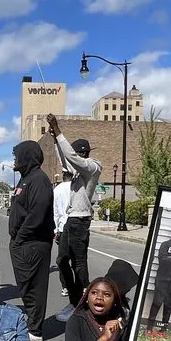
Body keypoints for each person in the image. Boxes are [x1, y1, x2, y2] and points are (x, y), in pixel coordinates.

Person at [48, 115, 101, 321]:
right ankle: (75, 300)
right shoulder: (77, 172)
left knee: (79, 265)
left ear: (86, 153)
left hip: (81, 220)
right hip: (71, 220)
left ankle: (81, 306)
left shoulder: (93, 167)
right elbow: (65, 160)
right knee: (62, 261)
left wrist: (59, 131)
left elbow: (73, 159)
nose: (81, 155)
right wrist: (55, 139)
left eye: (82, 153)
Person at [9, 140, 56, 341]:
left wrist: (20, 239)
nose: (15, 159)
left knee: (35, 286)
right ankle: (31, 322)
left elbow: (37, 213)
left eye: (17, 155)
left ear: (27, 156)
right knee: (26, 285)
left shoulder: (39, 180)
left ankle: (35, 330)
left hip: (33, 243)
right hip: (22, 243)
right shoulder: (26, 179)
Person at [53, 170, 72, 298]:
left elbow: (55, 212)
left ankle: (65, 286)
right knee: (79, 259)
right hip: (78, 225)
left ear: (64, 176)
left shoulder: (57, 189)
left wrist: (56, 230)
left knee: (63, 259)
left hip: (63, 227)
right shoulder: (78, 187)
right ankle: (81, 286)